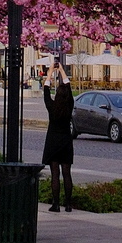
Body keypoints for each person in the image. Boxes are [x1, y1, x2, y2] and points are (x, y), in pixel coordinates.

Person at [42, 63, 75, 211]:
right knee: (67, 173)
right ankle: (68, 204)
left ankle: (55, 204)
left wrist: (50, 73)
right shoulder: (69, 107)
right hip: (66, 140)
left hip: (53, 141)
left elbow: (46, 90)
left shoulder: (52, 106)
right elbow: (68, 87)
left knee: (55, 174)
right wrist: (62, 70)